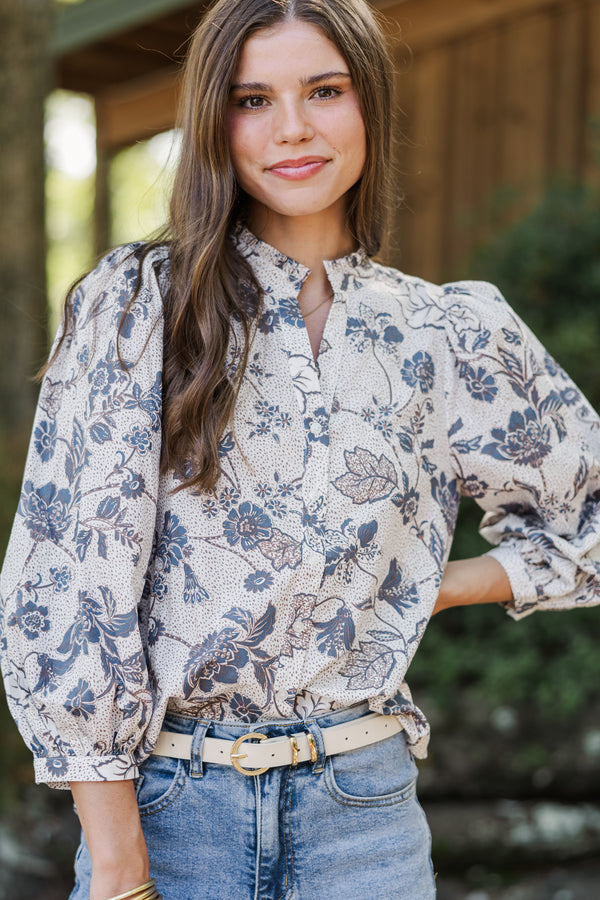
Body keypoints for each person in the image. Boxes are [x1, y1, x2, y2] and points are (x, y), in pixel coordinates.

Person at [1, 0, 599, 897]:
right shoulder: (139, 309)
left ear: (370, 105)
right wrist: (120, 865)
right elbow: (65, 590)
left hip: (366, 813)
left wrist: (440, 585)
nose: (292, 129)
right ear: (213, 121)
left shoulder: (448, 333)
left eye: (325, 90)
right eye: (252, 100)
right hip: (172, 811)